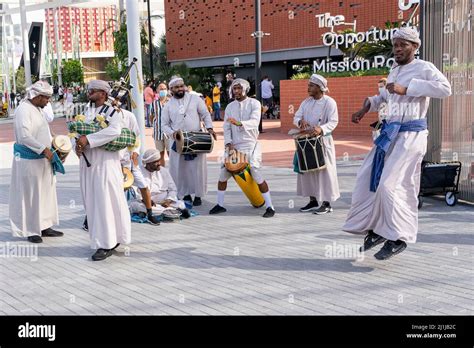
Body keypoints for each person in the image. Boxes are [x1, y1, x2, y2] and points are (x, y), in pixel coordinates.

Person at [343, 27, 452, 260]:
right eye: (395, 45)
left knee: (390, 186)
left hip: (411, 136)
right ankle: (376, 229)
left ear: (415, 46)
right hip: (390, 134)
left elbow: (445, 89)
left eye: (403, 45)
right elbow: (385, 96)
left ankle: (398, 237)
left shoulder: (425, 68)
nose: (398, 49)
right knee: (366, 179)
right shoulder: (393, 70)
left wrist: (409, 88)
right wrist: (365, 108)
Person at [75, 79, 131, 261]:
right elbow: (77, 131)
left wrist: (89, 140)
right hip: (87, 163)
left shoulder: (113, 112)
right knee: (92, 201)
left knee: (105, 201)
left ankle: (106, 243)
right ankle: (102, 238)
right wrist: (77, 144)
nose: (89, 92)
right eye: (89, 90)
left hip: (106, 164)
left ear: (103, 94)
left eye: (93, 90)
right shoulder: (86, 111)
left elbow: (114, 132)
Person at [209, 78, 275, 218]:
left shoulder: (255, 103)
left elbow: (254, 122)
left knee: (256, 173)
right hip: (234, 146)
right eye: (234, 88)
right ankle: (220, 205)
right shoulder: (229, 107)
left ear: (245, 89)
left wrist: (239, 123)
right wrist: (228, 144)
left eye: (239, 88)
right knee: (222, 175)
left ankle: (270, 207)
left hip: (251, 144)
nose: (236, 91)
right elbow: (226, 127)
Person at [9, 80, 64, 243]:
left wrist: (54, 143)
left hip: (43, 160)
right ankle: (32, 230)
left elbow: (42, 130)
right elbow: (25, 136)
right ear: (38, 96)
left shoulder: (37, 109)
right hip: (29, 161)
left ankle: (45, 225)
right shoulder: (23, 110)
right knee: (31, 195)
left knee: (46, 192)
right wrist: (44, 150)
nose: (48, 101)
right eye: (46, 98)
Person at [161, 76, 215, 207]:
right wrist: (172, 133)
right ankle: (184, 194)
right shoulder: (168, 105)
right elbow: (164, 124)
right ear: (171, 89)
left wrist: (209, 127)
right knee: (180, 169)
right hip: (178, 141)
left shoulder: (195, 99)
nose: (180, 89)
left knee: (197, 169)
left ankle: (198, 195)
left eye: (181, 86)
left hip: (196, 138)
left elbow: (205, 114)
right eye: (177, 87)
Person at [293, 74, 340, 215]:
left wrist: (321, 129)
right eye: (309, 85)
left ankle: (327, 203)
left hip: (323, 141)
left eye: (311, 85)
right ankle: (312, 201)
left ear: (320, 88)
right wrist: (300, 122)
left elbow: (333, 121)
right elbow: (296, 116)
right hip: (306, 141)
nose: (308, 88)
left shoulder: (329, 102)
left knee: (325, 172)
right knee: (307, 172)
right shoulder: (306, 102)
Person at [119, 101, 161, 226]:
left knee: (143, 185)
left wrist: (136, 152)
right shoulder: (105, 118)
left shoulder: (129, 116)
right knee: (110, 191)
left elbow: (137, 137)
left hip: (130, 161)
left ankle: (149, 214)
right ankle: (89, 219)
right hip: (113, 163)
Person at [128, 149, 190, 218]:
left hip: (164, 202)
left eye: (159, 160)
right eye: (156, 162)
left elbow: (173, 189)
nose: (159, 163)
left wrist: (168, 200)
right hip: (148, 203)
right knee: (135, 205)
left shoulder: (164, 171)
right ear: (148, 163)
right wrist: (145, 200)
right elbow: (134, 190)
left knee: (180, 203)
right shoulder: (139, 173)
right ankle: (169, 211)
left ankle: (164, 211)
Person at [153, 83, 170, 167]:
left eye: (164, 88)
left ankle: (174, 173)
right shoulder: (154, 103)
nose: (163, 90)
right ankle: (163, 173)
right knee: (160, 155)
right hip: (158, 132)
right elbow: (151, 116)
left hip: (169, 133)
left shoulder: (170, 102)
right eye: (161, 88)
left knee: (171, 154)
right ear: (157, 91)